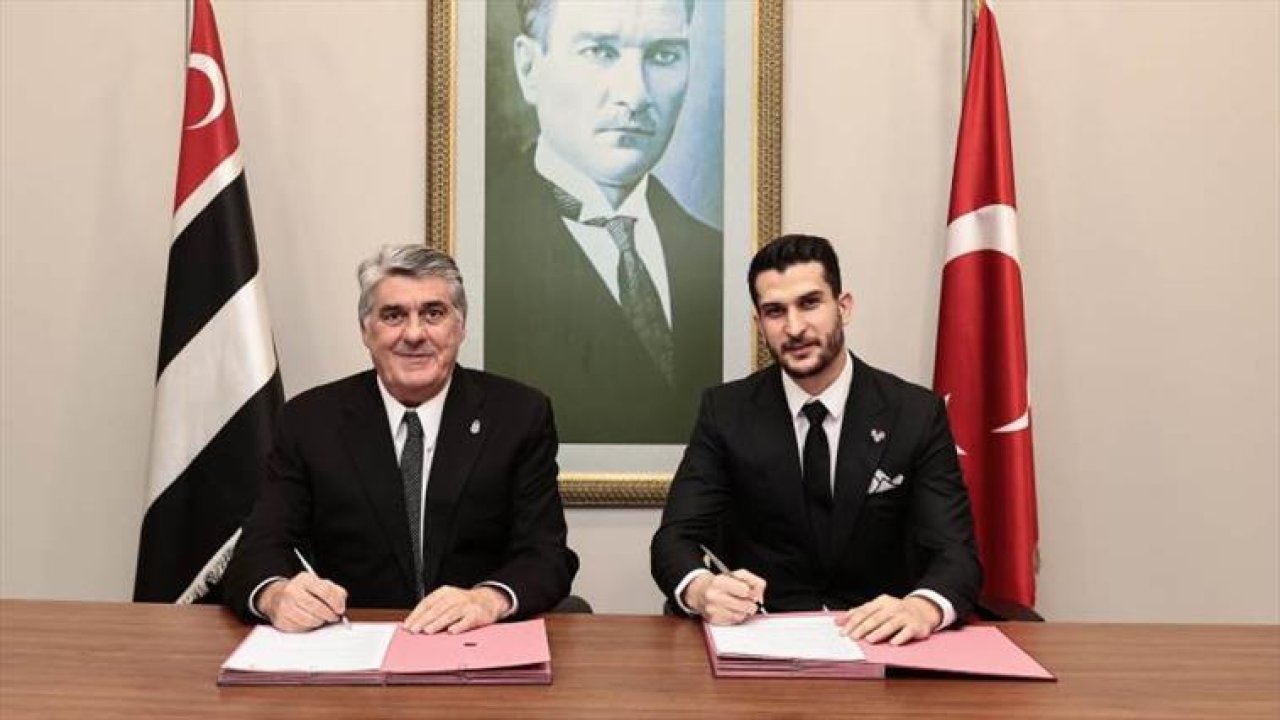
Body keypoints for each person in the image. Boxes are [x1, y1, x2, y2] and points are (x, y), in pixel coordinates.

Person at [223, 245, 578, 634]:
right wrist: (276, 595)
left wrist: (488, 600)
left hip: (472, 642)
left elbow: (547, 555)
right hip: (351, 643)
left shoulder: (518, 416)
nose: (413, 334)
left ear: (460, 327)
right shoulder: (309, 421)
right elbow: (258, 548)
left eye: (433, 313)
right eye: (393, 315)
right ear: (366, 331)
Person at [650, 234, 982, 645]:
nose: (794, 328)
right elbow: (674, 539)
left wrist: (922, 608)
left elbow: (956, 553)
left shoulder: (914, 413)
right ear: (759, 324)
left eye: (809, 303)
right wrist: (701, 589)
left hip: (878, 641)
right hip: (761, 639)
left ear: (844, 307)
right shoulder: (726, 411)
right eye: (775, 312)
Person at [485, 0, 722, 444]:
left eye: (664, 55)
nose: (636, 95)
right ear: (529, 68)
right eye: (599, 51)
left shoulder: (719, 259)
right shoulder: (477, 250)